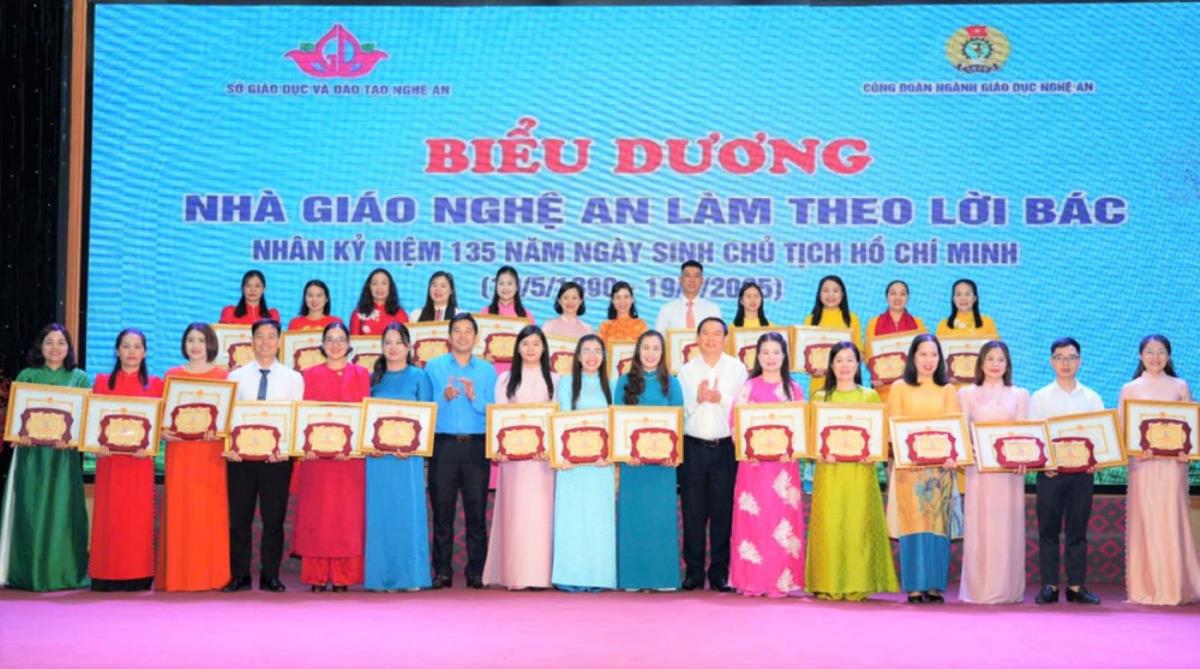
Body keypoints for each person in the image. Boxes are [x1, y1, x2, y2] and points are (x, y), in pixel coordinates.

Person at [0, 324, 91, 591]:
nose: (55, 348)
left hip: (63, 458)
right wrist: (19, 434)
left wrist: (72, 439)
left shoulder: (79, 378)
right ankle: (25, 572)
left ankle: (63, 572)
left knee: (62, 511)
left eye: (61, 342)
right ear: (40, 346)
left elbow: (84, 419)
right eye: (49, 342)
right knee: (30, 509)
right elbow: (15, 417)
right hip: (31, 456)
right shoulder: (27, 376)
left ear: (69, 348)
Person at [806, 341, 898, 601]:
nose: (844, 365)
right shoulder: (820, 398)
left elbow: (879, 436)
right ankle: (828, 583)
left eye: (850, 360)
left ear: (858, 364)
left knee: (858, 525)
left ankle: (859, 584)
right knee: (831, 524)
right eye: (839, 360)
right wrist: (820, 452)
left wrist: (874, 453)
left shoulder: (869, 396)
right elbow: (811, 439)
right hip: (829, 472)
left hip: (861, 471)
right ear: (831, 365)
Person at [1118, 334, 1200, 605]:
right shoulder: (1130, 388)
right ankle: (1146, 587)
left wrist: (1187, 450)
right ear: (1140, 356)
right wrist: (1135, 448)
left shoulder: (1180, 386)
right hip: (1142, 465)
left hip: (1173, 465)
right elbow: (1123, 429)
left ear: (1168, 355)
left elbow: (1191, 427)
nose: (1155, 357)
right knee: (1147, 520)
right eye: (1150, 352)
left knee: (1172, 519)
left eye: (1161, 351)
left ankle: (1177, 586)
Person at [223, 318, 304, 592]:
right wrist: (231, 447)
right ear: (251, 340)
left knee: (273, 520)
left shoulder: (294, 378)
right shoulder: (235, 377)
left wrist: (287, 450)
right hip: (241, 460)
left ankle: (270, 575)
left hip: (277, 460)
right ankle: (240, 576)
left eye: (271, 336)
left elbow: (295, 419)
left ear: (279, 341)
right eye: (260, 336)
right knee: (239, 520)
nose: (265, 342)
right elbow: (229, 418)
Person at [728, 332, 806, 597]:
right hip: (754, 467)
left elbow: (802, 426)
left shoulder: (794, 389)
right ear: (757, 357)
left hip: (784, 468)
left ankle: (780, 581)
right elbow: (735, 422)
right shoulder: (748, 388)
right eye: (765, 352)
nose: (770, 357)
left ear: (784, 356)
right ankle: (751, 581)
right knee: (755, 522)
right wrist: (745, 447)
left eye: (776, 352)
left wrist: (794, 448)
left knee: (781, 523)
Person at [885, 333, 960, 604]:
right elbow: (893, 427)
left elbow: (954, 429)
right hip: (909, 470)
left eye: (934, 354)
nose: (929, 360)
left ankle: (934, 585)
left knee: (937, 525)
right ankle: (915, 586)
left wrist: (953, 455)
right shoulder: (899, 388)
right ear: (913, 357)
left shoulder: (948, 390)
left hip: (940, 471)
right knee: (913, 524)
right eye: (923, 354)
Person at [1028, 337, 1104, 605]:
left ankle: (1076, 586)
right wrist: (1043, 464)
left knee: (1077, 531)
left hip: (1083, 475)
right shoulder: (1039, 398)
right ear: (1051, 362)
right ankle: (1049, 586)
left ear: (1080, 361)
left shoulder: (1092, 398)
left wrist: (1098, 459)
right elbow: (1034, 437)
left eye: (1071, 357)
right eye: (1060, 357)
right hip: (1050, 474)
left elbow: (1101, 437)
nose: (1066, 363)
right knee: (1048, 531)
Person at [296, 322, 370, 592]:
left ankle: (344, 576)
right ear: (322, 344)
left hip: (350, 461)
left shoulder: (363, 375)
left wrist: (354, 447)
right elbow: (300, 418)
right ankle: (316, 575)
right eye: (330, 339)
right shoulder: (308, 376)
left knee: (346, 519)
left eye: (341, 339)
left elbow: (366, 417)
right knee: (318, 516)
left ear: (349, 344)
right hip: (316, 460)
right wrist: (304, 445)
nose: (335, 345)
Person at [424, 314, 497, 589]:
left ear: (475, 337)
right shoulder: (434, 367)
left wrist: (473, 397)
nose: (463, 335)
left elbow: (493, 410)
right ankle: (442, 571)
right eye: (457, 330)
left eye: (468, 331)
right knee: (442, 513)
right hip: (443, 445)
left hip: (476, 446)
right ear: (449, 336)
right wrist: (443, 397)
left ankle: (476, 571)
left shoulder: (487, 371)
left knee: (476, 514)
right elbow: (424, 410)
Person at [483, 325, 557, 589]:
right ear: (517, 348)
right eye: (525, 344)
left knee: (541, 517)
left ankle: (541, 575)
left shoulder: (556, 380)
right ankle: (516, 575)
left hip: (543, 460)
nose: (530, 349)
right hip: (514, 461)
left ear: (544, 348)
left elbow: (558, 420)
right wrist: (501, 448)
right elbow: (499, 420)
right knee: (517, 517)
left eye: (536, 343)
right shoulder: (505, 379)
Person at [677, 317, 748, 591]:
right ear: (697, 338)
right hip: (692, 447)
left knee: (722, 512)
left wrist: (722, 399)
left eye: (717, 333)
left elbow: (744, 408)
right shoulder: (686, 370)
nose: (710, 338)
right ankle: (694, 571)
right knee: (692, 511)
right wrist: (697, 398)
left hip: (725, 449)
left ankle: (719, 571)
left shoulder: (737, 369)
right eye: (705, 333)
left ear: (725, 338)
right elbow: (679, 411)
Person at [90, 328, 163, 591]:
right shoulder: (101, 382)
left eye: (137, 347)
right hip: (109, 463)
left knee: (136, 521)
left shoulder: (156, 385)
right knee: (109, 519)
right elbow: (93, 422)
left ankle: (138, 574)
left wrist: (151, 445)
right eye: (126, 346)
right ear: (117, 350)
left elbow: (159, 426)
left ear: (145, 352)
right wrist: (95, 445)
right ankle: (105, 574)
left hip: (139, 464)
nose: (131, 352)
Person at [158, 323, 230, 592]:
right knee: (180, 512)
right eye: (191, 340)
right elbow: (162, 417)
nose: (196, 346)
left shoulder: (224, 376)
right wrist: (163, 431)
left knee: (208, 515)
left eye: (201, 340)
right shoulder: (172, 375)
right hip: (180, 453)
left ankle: (212, 576)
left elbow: (228, 418)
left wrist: (219, 432)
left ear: (210, 344)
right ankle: (178, 576)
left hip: (210, 454)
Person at [957, 341, 1029, 605]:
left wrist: (1023, 459)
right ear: (981, 363)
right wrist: (968, 454)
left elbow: (1023, 434)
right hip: (979, 470)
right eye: (990, 359)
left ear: (1008, 364)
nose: (995, 364)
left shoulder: (1020, 394)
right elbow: (962, 432)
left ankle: (1007, 589)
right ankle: (978, 589)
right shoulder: (966, 393)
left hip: (1009, 474)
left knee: (1006, 529)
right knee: (980, 528)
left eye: (1001, 359)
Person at [364, 324, 434, 591]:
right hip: (378, 460)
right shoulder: (373, 378)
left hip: (408, 460)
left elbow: (428, 420)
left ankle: (410, 576)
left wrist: (414, 448)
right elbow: (365, 420)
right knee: (381, 516)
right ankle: (381, 577)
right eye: (388, 342)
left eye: (398, 342)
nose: (393, 348)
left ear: (408, 346)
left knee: (407, 515)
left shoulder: (419, 377)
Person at [614, 330, 683, 591]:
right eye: (646, 348)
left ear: (663, 353)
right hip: (632, 465)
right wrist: (625, 453)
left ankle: (662, 578)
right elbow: (617, 420)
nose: (650, 353)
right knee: (634, 519)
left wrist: (673, 454)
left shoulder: (672, 383)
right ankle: (633, 578)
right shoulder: (623, 382)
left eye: (656, 348)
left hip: (663, 467)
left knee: (659, 519)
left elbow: (679, 421)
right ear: (637, 351)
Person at [551, 334, 616, 590]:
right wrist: (563, 456)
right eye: (586, 350)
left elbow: (616, 424)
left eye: (597, 351)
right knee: (573, 521)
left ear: (604, 356)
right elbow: (563, 420)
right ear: (578, 356)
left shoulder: (612, 384)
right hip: (572, 466)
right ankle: (571, 578)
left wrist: (610, 454)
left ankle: (599, 578)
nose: (592, 356)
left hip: (601, 464)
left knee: (598, 522)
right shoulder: (566, 383)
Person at [801, 275, 863, 398]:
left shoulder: (852, 319)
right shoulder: (810, 320)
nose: (830, 295)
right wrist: (811, 370)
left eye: (835, 290)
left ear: (842, 294)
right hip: (819, 383)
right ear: (819, 294)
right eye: (825, 290)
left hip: (846, 383)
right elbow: (804, 356)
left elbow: (859, 353)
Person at [865, 280, 926, 398]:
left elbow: (923, 353)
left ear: (908, 298)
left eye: (902, 294)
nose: (897, 297)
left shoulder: (918, 324)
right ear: (886, 297)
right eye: (893, 293)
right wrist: (875, 373)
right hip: (883, 388)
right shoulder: (874, 323)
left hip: (912, 387)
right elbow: (868, 355)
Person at [481, 265, 536, 376]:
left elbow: (531, 348)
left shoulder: (527, 317)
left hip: (517, 374)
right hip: (490, 372)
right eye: (501, 283)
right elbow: (478, 346)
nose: (505, 288)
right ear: (496, 287)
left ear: (516, 287)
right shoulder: (485, 313)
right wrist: (482, 357)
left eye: (509, 283)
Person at [654, 261, 721, 333]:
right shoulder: (667, 309)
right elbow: (658, 337)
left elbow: (719, 336)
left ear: (702, 280)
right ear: (680, 279)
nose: (692, 280)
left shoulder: (713, 310)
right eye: (687, 276)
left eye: (696, 276)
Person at [350, 267, 408, 335]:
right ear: (369, 287)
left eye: (384, 283)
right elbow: (354, 340)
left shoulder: (400, 314)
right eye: (375, 283)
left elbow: (405, 339)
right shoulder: (358, 313)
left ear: (390, 287)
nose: (379, 287)